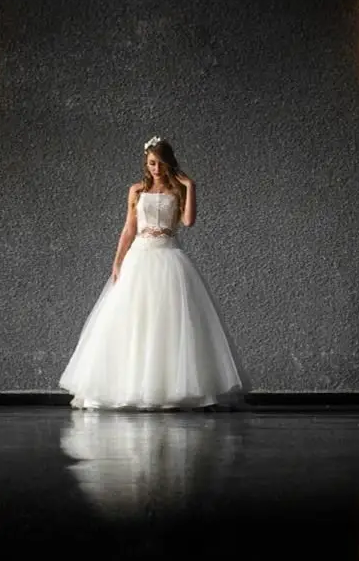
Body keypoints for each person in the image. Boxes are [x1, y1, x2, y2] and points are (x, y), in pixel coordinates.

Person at [59, 136, 248, 410]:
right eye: (151, 163)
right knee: (133, 320)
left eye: (160, 163)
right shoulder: (136, 191)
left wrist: (190, 186)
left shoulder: (178, 190)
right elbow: (128, 229)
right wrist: (117, 261)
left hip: (169, 257)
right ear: (146, 164)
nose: (156, 168)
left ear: (168, 163)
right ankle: (130, 387)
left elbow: (188, 221)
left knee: (169, 324)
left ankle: (169, 389)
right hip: (139, 258)